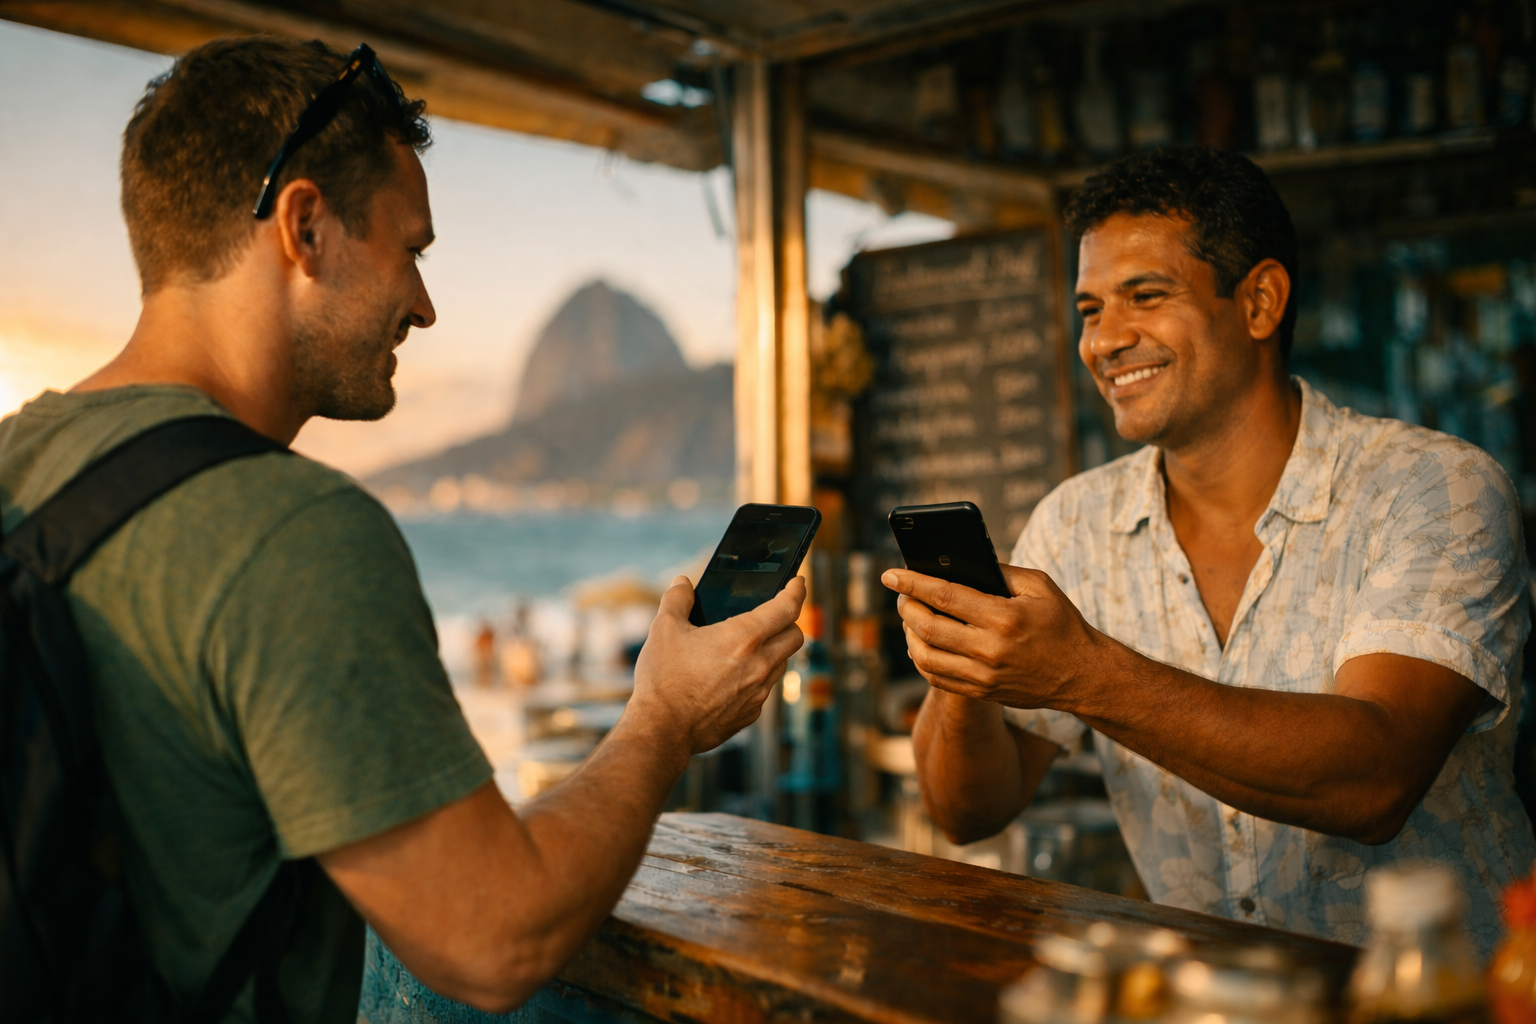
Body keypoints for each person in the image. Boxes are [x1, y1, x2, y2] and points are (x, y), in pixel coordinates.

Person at [0, 36, 803, 1020]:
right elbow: (496, 938)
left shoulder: (19, 466)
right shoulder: (291, 530)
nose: (423, 305)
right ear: (306, 227)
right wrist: (664, 719)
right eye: (409, 248)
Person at [884, 146, 1534, 955]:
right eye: (1088, 310)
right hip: (1216, 1002)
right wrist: (963, 671)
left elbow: (1375, 778)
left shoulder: (1435, 491)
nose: (1105, 341)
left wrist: (1084, 672)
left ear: (1259, 301)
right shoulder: (1075, 524)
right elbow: (968, 810)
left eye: (1144, 297)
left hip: (1446, 1001)